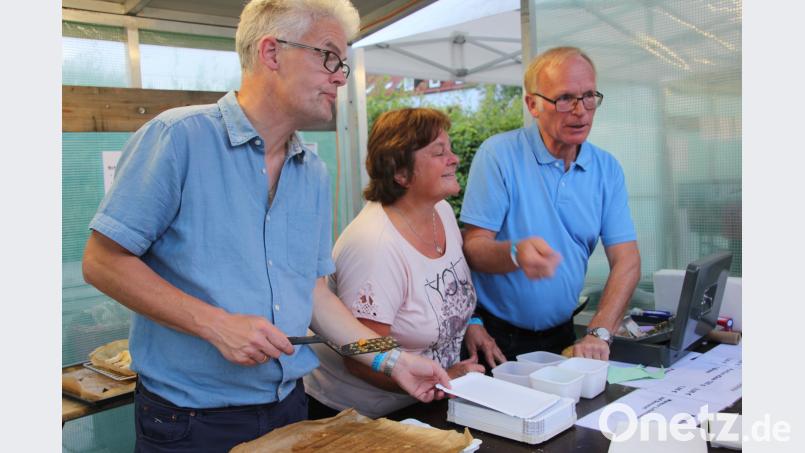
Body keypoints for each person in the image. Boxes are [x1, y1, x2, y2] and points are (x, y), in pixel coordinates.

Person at [81, 1, 449, 451]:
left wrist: (390, 361)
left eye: (344, 64)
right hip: (190, 422)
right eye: (329, 56)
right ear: (272, 53)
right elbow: (102, 261)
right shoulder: (179, 138)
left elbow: (313, 294)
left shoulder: (312, 170)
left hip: (290, 409)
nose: (340, 76)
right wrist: (215, 324)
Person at [304, 108, 492, 419]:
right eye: (439, 152)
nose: (455, 159)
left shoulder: (441, 211)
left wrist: (470, 323)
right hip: (364, 417)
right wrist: (447, 379)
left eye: (450, 148)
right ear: (401, 173)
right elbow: (359, 358)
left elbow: (448, 290)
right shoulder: (374, 245)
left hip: (425, 400)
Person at [459, 46, 641, 363]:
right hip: (497, 339)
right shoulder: (498, 155)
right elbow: (472, 247)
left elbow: (627, 260)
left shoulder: (606, 169)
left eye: (588, 96)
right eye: (565, 98)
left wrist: (599, 332)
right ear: (533, 104)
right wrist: (513, 253)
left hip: (563, 334)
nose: (580, 110)